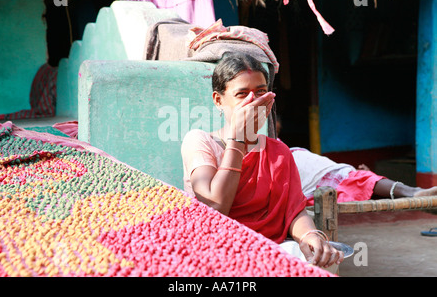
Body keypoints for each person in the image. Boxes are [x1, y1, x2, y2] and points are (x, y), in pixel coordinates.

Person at [181, 53, 343, 269]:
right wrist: (238, 138)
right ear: (218, 100)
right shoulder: (200, 141)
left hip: (270, 249)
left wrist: (310, 236)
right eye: (242, 94)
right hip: (218, 253)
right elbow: (215, 206)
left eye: (260, 92)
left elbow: (294, 211)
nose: (253, 102)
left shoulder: (278, 151)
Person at [276, 117, 437, 205]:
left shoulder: (277, 143)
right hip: (299, 172)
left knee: (355, 177)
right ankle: (413, 192)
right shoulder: (264, 144)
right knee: (355, 178)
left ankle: (413, 192)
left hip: (307, 165)